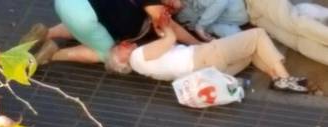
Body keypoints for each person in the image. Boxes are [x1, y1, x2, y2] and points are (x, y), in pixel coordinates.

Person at [105, 17, 308, 92]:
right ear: (121, 57)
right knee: (257, 35)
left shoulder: (141, 69)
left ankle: (276, 78)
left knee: (251, 52)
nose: (126, 44)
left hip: (209, 72)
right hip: (204, 55)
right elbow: (169, 41)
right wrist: (163, 26)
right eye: (120, 47)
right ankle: (284, 78)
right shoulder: (138, 55)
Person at [20, 0, 201, 65]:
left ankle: (46, 33)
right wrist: (198, 45)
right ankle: (53, 54)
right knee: (104, 52)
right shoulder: (157, 9)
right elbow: (172, 28)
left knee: (92, 25)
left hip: (69, 4)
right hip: (85, 18)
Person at [172, 0, 249, 39]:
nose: (168, 2)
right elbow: (195, 25)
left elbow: (221, 1)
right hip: (225, 21)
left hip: (244, 10)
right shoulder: (181, 17)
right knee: (241, 41)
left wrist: (201, 25)